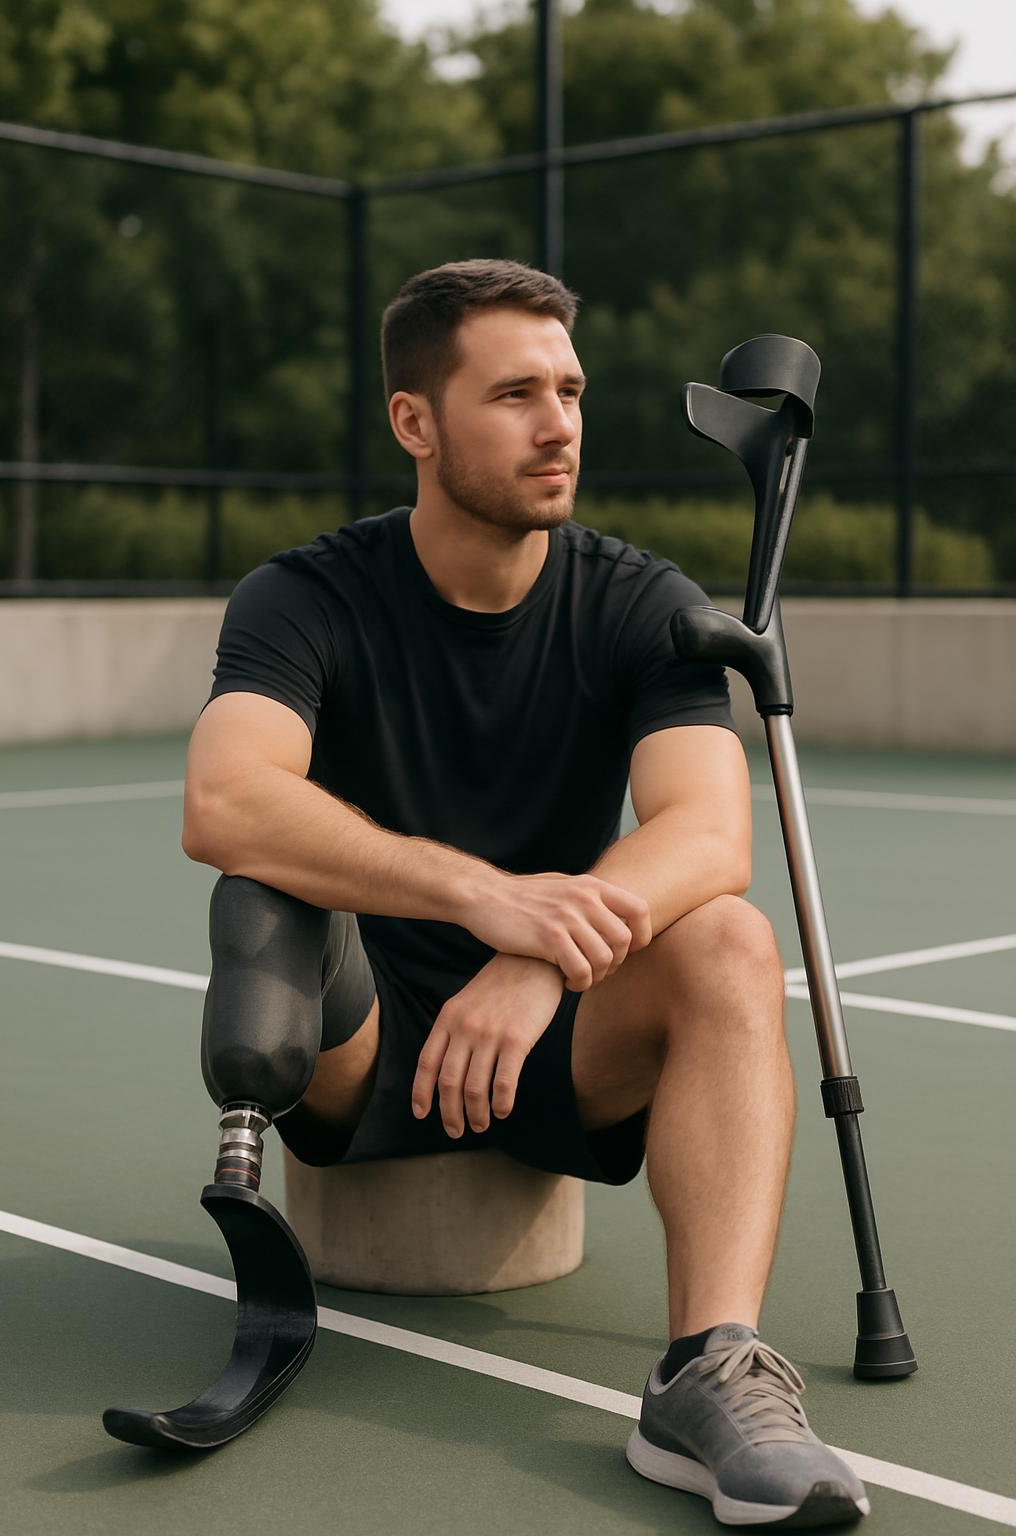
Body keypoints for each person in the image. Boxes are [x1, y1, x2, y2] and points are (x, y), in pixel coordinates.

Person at [182, 258, 869, 1527]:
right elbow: (224, 799)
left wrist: (542, 957)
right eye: (514, 394)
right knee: (255, 882)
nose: (559, 424)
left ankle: (708, 1370)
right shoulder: (305, 594)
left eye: (571, 389)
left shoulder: (639, 602)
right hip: (363, 1041)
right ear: (415, 423)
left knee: (725, 938)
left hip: (558, 1041)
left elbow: (709, 834)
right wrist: (480, 898)